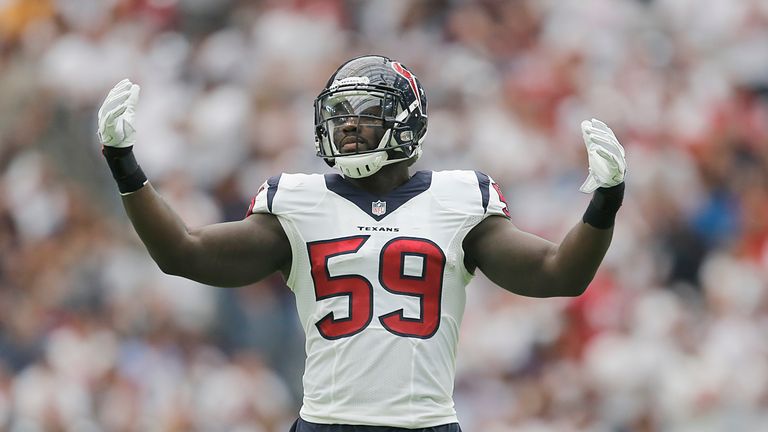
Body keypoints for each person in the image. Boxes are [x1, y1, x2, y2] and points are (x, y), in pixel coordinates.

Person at [97, 55, 626, 431]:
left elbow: (561, 273)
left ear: (407, 121)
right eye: (340, 113)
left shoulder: (462, 198)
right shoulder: (297, 201)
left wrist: (604, 200)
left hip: (424, 422)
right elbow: (183, 253)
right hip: (326, 421)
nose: (348, 125)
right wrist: (125, 167)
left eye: (365, 113)